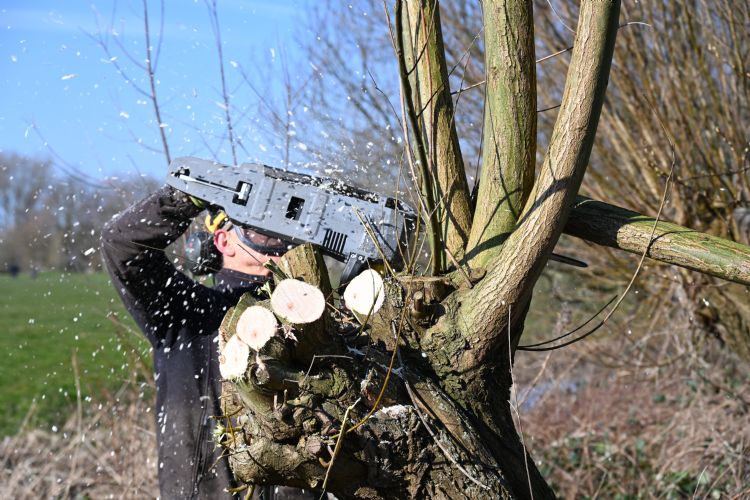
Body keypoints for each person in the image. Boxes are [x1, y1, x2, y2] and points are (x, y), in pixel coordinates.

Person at [101, 185, 292, 498]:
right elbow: (121, 244)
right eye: (262, 232)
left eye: (284, 233)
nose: (279, 244)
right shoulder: (187, 311)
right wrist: (190, 194)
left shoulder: (310, 317)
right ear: (223, 240)